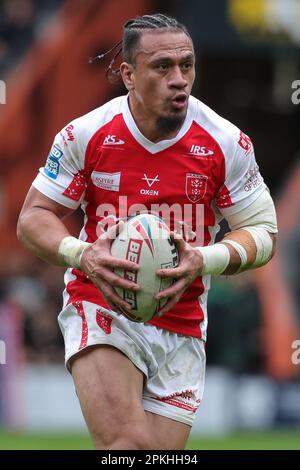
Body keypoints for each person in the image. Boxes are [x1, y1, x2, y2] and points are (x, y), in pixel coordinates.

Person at [17, 13, 278, 450]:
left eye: (187, 65)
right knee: (127, 448)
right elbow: (34, 216)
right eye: (162, 67)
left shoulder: (225, 142)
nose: (179, 79)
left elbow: (264, 232)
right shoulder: (87, 134)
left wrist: (204, 259)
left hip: (183, 325)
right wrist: (82, 255)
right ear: (128, 75)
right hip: (102, 304)